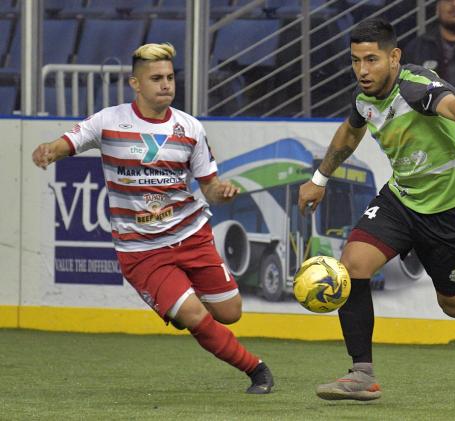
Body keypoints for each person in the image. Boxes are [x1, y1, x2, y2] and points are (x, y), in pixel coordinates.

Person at [298, 18, 455, 401]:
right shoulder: (365, 96)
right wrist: (320, 178)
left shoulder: (416, 85)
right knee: (353, 266)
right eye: (355, 61)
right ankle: (361, 373)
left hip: (450, 210)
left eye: (371, 60)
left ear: (394, 57)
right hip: (401, 199)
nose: (362, 71)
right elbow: (351, 131)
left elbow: (449, 105)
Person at [32, 43, 274, 395]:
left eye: (170, 77)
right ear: (135, 83)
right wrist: (50, 150)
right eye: (156, 78)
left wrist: (223, 192)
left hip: (192, 234)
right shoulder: (109, 121)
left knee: (230, 312)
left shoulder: (190, 128)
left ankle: (176, 305)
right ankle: (257, 370)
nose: (166, 84)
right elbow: (71, 140)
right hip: (141, 250)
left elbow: (209, 187)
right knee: (194, 316)